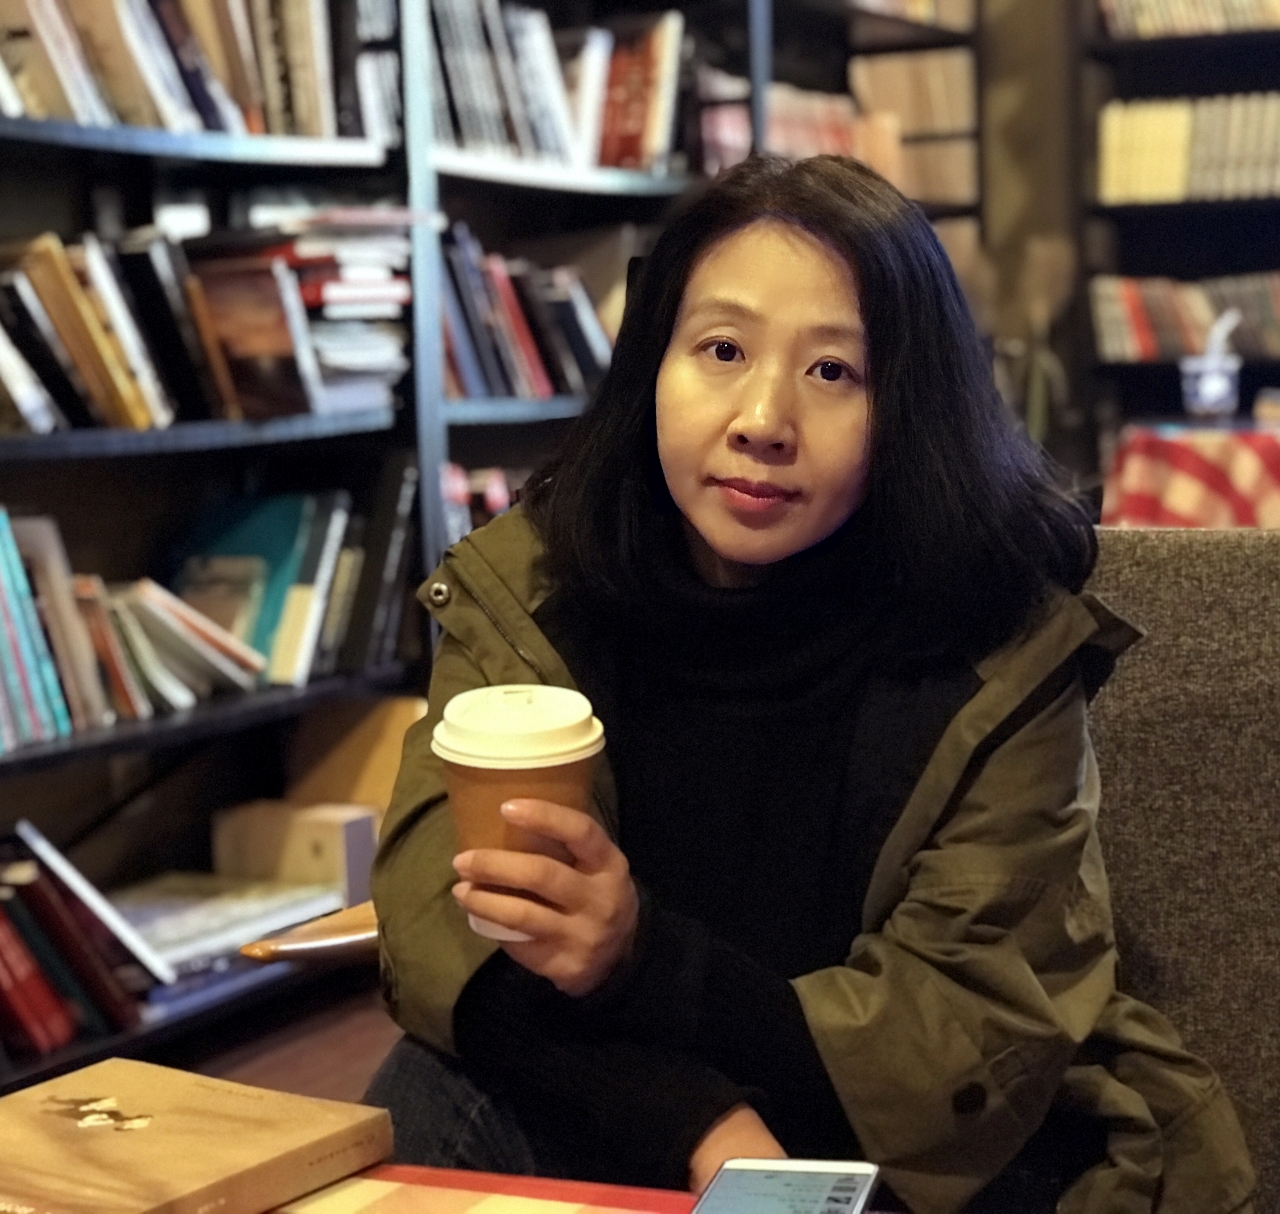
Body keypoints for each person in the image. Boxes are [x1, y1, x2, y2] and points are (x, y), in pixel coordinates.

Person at [367, 155, 1256, 1214]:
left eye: (833, 371)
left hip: (922, 1154)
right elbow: (442, 926)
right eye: (722, 349)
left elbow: (954, 1048)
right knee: (426, 1093)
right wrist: (701, 1126)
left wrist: (641, 957)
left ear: (908, 405)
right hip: (632, 1104)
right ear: (654, 363)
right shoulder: (530, 591)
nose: (762, 419)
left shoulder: (995, 646)